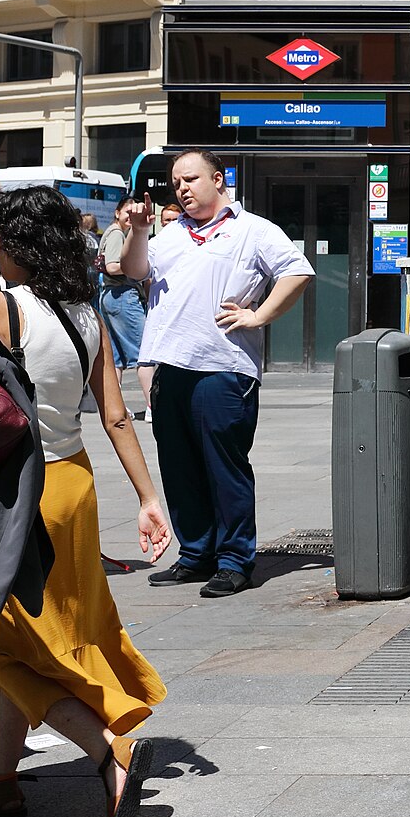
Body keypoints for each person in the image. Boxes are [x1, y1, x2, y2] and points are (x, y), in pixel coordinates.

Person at [0, 187, 171, 817]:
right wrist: (148, 497)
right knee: (29, 635)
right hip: (74, 485)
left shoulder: (1, 309)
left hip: (17, 494)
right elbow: (115, 416)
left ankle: (109, 750)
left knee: (9, 643)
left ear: (20, 245)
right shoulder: (87, 314)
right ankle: (0, 782)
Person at [119, 150, 313, 598]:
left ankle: (234, 561)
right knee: (179, 468)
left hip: (223, 368)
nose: (182, 189)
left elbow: (297, 272)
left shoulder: (252, 230)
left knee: (225, 468)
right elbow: (134, 270)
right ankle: (195, 554)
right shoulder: (171, 234)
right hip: (170, 365)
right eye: (176, 183)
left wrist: (258, 316)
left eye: (190, 179)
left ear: (218, 179)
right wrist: (139, 231)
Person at [98, 200, 153, 421]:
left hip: (111, 296)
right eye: (127, 212)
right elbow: (112, 266)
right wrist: (137, 265)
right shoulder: (116, 234)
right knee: (144, 352)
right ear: (117, 212)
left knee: (116, 358)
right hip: (122, 295)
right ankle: (153, 405)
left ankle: (117, 406)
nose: (131, 216)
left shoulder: (113, 232)